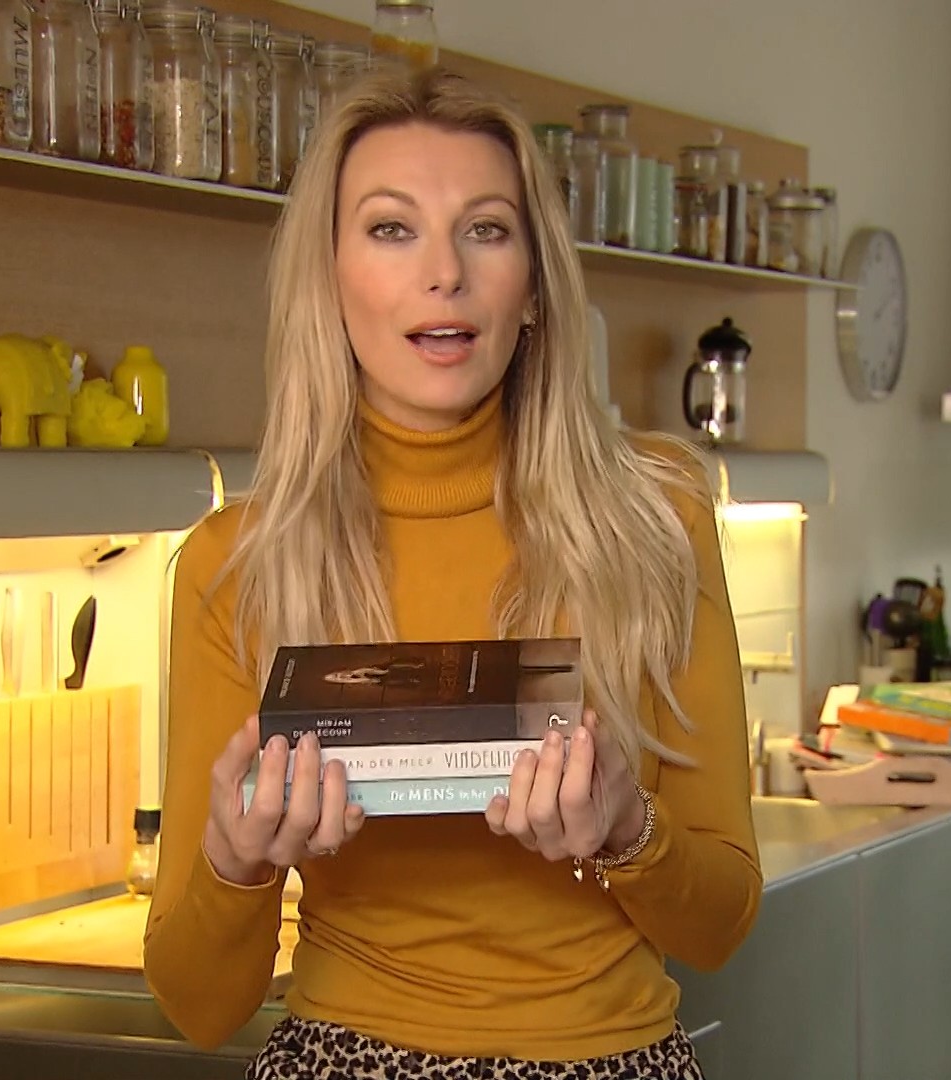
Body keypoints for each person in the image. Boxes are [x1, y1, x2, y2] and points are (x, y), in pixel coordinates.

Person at [143, 65, 761, 1079]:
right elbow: (198, 1006)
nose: (445, 274)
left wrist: (626, 828)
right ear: (329, 280)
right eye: (392, 228)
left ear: (535, 286)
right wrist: (237, 858)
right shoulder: (232, 567)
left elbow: (723, 925)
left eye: (485, 229)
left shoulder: (658, 519)